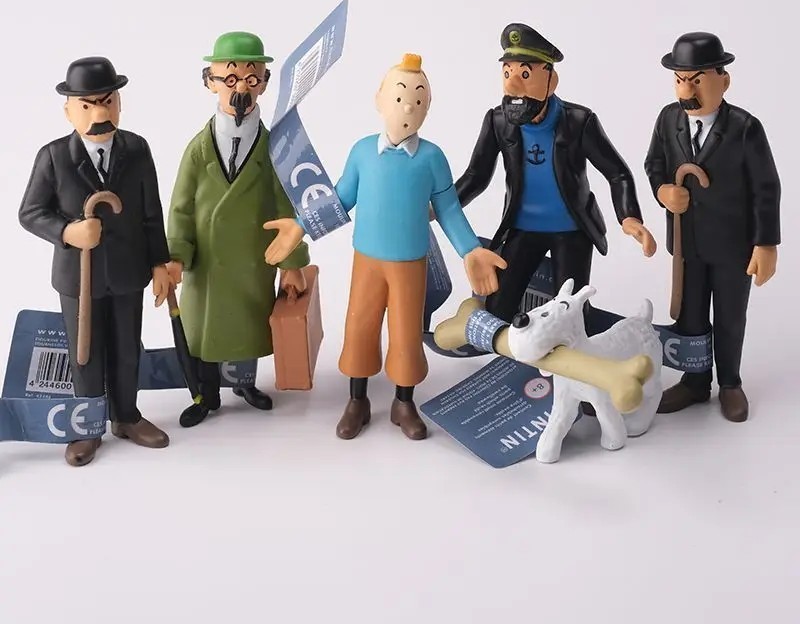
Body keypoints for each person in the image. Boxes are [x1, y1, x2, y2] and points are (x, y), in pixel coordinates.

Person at [264, 53, 506, 441]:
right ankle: (357, 399)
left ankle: (403, 402)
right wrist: (301, 225)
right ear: (379, 99)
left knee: (406, 333)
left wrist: (470, 249)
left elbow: (448, 209)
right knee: (359, 326)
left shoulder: (432, 158)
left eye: (418, 99)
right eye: (399, 96)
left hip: (410, 264)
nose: (408, 106)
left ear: (428, 107)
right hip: (367, 261)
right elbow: (341, 197)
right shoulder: (362, 152)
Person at [19, 56, 171, 466]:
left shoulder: (137, 149)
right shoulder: (53, 157)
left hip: (127, 272)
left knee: (127, 349)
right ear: (68, 110)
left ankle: (127, 416)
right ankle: (86, 425)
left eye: (107, 102)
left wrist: (159, 263)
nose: (99, 115)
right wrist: (68, 232)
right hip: (78, 278)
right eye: (87, 105)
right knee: (84, 354)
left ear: (119, 103)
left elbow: (151, 213)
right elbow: (30, 212)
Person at [453, 23, 655, 325]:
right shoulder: (497, 121)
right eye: (507, 74)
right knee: (498, 305)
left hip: (571, 230)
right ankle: (503, 347)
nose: (512, 86)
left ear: (551, 79)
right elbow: (476, 175)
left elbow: (617, 173)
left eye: (524, 75)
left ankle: (575, 349)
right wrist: (440, 207)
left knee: (570, 312)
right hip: (522, 229)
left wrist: (629, 217)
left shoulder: (579, 121)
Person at [167, 32, 309, 427]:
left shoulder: (274, 147)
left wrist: (292, 264)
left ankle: (244, 383)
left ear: (263, 83)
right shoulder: (198, 149)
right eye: (229, 79)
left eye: (250, 78)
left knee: (247, 322)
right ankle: (206, 393)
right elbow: (181, 206)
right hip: (207, 262)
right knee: (205, 330)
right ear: (209, 82)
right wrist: (176, 255)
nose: (240, 89)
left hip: (252, 256)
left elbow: (287, 206)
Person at [644, 32, 781, 422]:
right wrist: (663, 191)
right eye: (679, 80)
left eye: (697, 80)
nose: (686, 91)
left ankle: (730, 382)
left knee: (729, 317)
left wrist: (766, 244)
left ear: (724, 80)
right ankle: (695, 380)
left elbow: (766, 188)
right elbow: (654, 164)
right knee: (690, 316)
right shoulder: (669, 119)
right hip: (687, 244)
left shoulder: (744, 128)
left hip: (733, 245)